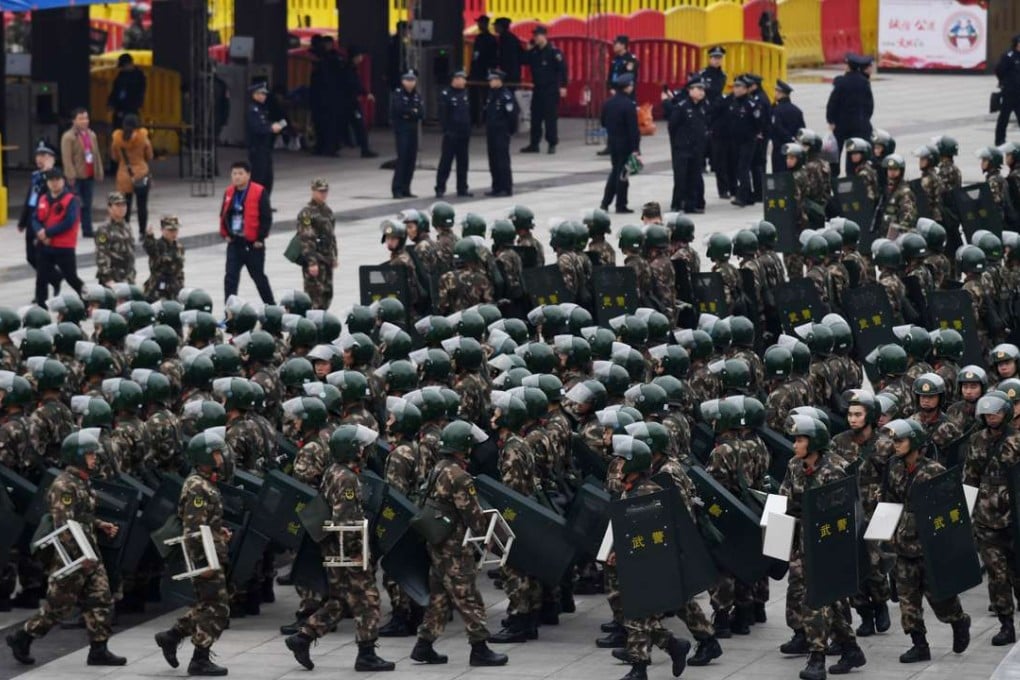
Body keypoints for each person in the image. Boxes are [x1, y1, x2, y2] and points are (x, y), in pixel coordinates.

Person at [6, 432, 126, 668]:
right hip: (72, 558)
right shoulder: (64, 486)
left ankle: (99, 650)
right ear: (78, 456)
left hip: (89, 553)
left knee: (101, 600)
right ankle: (23, 637)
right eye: (90, 454)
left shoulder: (82, 482)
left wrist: (100, 525)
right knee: (57, 608)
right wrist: (80, 558)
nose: (94, 459)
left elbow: (82, 517)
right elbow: (65, 526)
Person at [285, 425, 396, 672]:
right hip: (347, 551)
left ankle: (303, 638)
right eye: (362, 447)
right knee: (368, 600)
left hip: (335, 549)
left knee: (341, 600)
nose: (366, 451)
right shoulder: (346, 478)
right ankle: (366, 654)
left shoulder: (333, 471)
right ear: (352, 450)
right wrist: (357, 552)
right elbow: (347, 521)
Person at [408, 420, 509, 667]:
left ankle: (424, 645)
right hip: (453, 546)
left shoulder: (438, 468)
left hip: (437, 543)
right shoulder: (460, 476)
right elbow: (472, 514)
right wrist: (487, 539)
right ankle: (480, 648)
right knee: (468, 595)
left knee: (440, 597)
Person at [881, 418, 971, 662]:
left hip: (928, 548)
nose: (895, 445)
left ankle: (959, 621)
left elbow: (949, 510)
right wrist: (885, 533)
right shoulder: (893, 467)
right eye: (894, 440)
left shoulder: (934, 472)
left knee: (940, 599)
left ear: (916, 443)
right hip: (902, 546)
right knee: (907, 601)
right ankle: (919, 644)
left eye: (900, 440)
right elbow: (889, 500)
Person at [153, 430, 230, 676]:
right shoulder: (197, 487)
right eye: (216, 453)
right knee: (217, 609)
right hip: (204, 556)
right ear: (205, 456)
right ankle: (199, 659)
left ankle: (171, 636)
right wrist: (205, 563)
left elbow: (206, 524)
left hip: (210, 551)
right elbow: (194, 529)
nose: (221, 457)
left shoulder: (205, 482)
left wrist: (219, 533)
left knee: (208, 605)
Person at [219, 161, 275, 304]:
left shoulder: (259, 191)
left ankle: (271, 307)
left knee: (259, 277)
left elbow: (266, 217)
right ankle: (229, 312)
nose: (237, 177)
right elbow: (224, 214)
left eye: (240, 173)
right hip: (235, 241)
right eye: (234, 174)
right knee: (230, 278)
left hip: (253, 243)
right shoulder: (229, 192)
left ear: (248, 175)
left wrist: (260, 238)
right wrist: (226, 234)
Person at [32, 168, 84, 305]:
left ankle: (87, 300)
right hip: (45, 245)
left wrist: (48, 232)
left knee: (71, 277)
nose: (54, 183)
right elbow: (35, 218)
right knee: (41, 279)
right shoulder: (43, 198)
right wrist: (40, 232)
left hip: (64, 246)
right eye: (51, 180)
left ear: (63, 181)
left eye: (57, 180)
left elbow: (69, 222)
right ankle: (41, 307)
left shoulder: (71, 200)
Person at [664, 76, 708, 213]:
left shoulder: (702, 107)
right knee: (681, 178)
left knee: (694, 177)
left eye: (702, 89)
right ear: (690, 90)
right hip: (682, 149)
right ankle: (677, 204)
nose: (701, 92)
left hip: (696, 149)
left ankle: (691, 204)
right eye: (698, 89)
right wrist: (678, 143)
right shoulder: (682, 107)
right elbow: (672, 127)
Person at [18, 141, 57, 294]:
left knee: (41, 258)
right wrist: (22, 221)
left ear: (52, 158)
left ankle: (42, 293)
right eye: (38, 155)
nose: (40, 159)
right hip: (31, 220)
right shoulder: (35, 176)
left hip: (43, 222)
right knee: (30, 257)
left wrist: (47, 173)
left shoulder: (54, 177)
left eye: (44, 155)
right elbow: (30, 199)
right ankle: (55, 277)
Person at [826, 54, 874, 177]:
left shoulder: (841, 82)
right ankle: (851, 177)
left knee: (835, 154)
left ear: (848, 66)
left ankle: (834, 176)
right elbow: (869, 105)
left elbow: (832, 103)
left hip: (841, 125)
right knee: (854, 152)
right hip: (859, 126)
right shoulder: (864, 82)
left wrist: (831, 120)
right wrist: (864, 119)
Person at [521, 26, 567, 154]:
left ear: (544, 36)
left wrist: (563, 86)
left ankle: (552, 143)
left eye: (537, 35)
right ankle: (534, 143)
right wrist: (528, 49)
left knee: (550, 118)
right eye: (534, 36)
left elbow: (562, 69)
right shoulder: (534, 51)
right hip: (538, 89)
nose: (535, 38)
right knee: (535, 117)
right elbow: (523, 60)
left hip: (550, 89)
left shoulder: (553, 52)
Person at [60, 107, 103, 238]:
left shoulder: (92, 135)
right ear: (74, 120)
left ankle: (87, 229)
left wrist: (98, 171)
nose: (85, 121)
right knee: (75, 204)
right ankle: (68, 228)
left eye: (86, 118)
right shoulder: (68, 137)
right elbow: (66, 158)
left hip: (88, 174)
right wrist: (70, 175)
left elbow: (96, 155)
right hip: (76, 176)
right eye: (81, 118)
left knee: (88, 204)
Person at [599, 74, 639, 214]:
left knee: (615, 171)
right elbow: (633, 129)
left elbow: (603, 121)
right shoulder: (629, 105)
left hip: (613, 142)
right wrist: (636, 148)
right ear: (627, 87)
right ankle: (620, 204)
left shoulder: (608, 103)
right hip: (625, 144)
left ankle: (605, 202)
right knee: (623, 175)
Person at [296, 178, 337, 310]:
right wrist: (312, 262)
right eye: (320, 191)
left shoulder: (328, 211)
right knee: (315, 296)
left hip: (326, 259)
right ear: (313, 191)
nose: (323, 194)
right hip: (315, 259)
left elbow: (331, 235)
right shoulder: (307, 213)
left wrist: (334, 255)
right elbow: (306, 238)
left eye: (325, 191)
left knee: (327, 294)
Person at [110, 113, 153, 237]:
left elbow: (114, 157)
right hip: (141, 174)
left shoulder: (117, 139)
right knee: (142, 205)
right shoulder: (143, 138)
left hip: (124, 174)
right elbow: (149, 155)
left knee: (124, 205)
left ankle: (125, 231)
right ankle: (142, 232)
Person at [599, 35, 638, 156]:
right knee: (612, 120)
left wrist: (620, 89)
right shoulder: (615, 60)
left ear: (623, 45)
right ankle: (610, 145)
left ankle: (634, 147)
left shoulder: (631, 60)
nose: (614, 46)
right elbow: (610, 76)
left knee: (629, 122)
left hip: (626, 94)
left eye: (616, 44)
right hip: (614, 94)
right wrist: (610, 87)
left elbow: (630, 77)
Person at [435, 70, 472, 198]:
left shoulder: (466, 93)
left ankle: (462, 188)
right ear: (455, 79)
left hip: (464, 134)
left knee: (463, 162)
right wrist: (446, 130)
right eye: (462, 79)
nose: (464, 81)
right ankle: (440, 188)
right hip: (451, 133)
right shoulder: (446, 94)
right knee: (446, 162)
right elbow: (443, 115)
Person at [339, 46, 378, 158]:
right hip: (351, 102)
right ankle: (364, 149)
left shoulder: (349, 68)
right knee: (359, 125)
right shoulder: (349, 70)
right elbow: (355, 85)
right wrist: (365, 93)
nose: (361, 58)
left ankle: (339, 145)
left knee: (346, 124)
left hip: (347, 101)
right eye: (359, 56)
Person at [484, 69, 518, 198]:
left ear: (499, 80)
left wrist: (510, 131)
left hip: (501, 132)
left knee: (502, 160)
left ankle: (506, 187)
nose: (490, 82)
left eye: (493, 80)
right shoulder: (491, 94)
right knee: (493, 160)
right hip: (491, 132)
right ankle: (496, 186)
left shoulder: (506, 96)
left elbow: (512, 116)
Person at [390, 70, 423, 199]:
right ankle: (397, 188)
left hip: (413, 130)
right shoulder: (398, 94)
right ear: (403, 81)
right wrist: (411, 112)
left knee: (411, 159)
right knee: (402, 158)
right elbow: (398, 110)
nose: (410, 83)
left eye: (412, 80)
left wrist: (410, 113)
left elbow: (421, 113)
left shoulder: (416, 95)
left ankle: (406, 188)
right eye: (408, 80)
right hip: (402, 130)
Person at [246, 82, 282, 198]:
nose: (263, 96)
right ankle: (255, 201)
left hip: (266, 148)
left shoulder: (262, 108)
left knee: (268, 177)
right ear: (254, 95)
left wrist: (272, 126)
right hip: (257, 148)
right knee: (258, 177)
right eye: (261, 94)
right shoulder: (253, 110)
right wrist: (270, 128)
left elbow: (265, 124)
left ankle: (265, 202)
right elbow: (256, 128)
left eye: (264, 94)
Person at [94, 192, 135, 286]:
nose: (122, 208)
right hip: (113, 279)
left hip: (128, 278)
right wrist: (107, 279)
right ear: (109, 208)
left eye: (124, 205)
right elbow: (101, 255)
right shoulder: (104, 229)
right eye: (117, 205)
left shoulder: (127, 227)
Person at [107, 53, 147, 144]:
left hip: (130, 109)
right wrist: (111, 103)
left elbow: (137, 95)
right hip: (119, 109)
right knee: (118, 134)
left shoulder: (138, 77)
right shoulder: (121, 75)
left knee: (130, 133)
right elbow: (115, 91)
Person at [144, 216, 185, 302]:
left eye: (176, 230)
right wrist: (149, 237)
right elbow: (150, 249)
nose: (174, 233)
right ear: (162, 230)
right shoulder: (157, 245)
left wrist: (181, 286)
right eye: (170, 230)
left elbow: (180, 270)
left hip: (174, 289)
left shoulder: (179, 247)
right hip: (158, 289)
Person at [469, 15, 500, 126]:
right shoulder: (481, 38)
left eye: (480, 23)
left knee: (486, 97)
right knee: (477, 96)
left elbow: (489, 57)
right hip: (478, 71)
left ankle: (483, 119)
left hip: (484, 71)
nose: (478, 25)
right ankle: (478, 118)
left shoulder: (488, 39)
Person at [770, 80, 805, 173]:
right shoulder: (797, 110)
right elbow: (802, 130)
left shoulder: (776, 110)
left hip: (779, 149)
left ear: (781, 93)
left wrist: (788, 138)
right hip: (794, 150)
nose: (775, 94)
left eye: (776, 91)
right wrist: (793, 139)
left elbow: (777, 128)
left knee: (779, 176)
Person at [995, 35, 1020, 146]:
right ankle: (1000, 140)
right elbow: (999, 70)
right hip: (1009, 92)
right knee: (1004, 118)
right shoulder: (1008, 56)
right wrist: (1003, 82)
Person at [494, 18, 522, 87]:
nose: (494, 27)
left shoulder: (506, 39)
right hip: (511, 73)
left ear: (501, 27)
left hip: (509, 74)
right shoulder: (509, 37)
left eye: (496, 25)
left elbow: (506, 57)